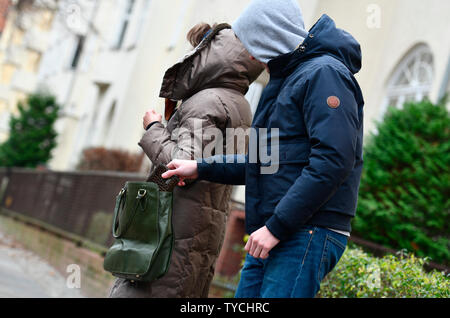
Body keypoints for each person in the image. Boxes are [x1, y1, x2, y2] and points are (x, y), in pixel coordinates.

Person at [162, 0, 364, 298]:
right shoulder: (280, 83)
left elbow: (334, 160)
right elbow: (261, 161)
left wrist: (276, 228)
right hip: (276, 229)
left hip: (306, 230)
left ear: (270, 37)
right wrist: (200, 167)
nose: (248, 53)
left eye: (251, 43)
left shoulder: (324, 74)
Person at [108, 22, 264, 298]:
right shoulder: (241, 105)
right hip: (201, 228)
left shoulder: (206, 102)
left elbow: (179, 167)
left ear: (209, 58)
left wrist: (153, 129)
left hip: (170, 231)